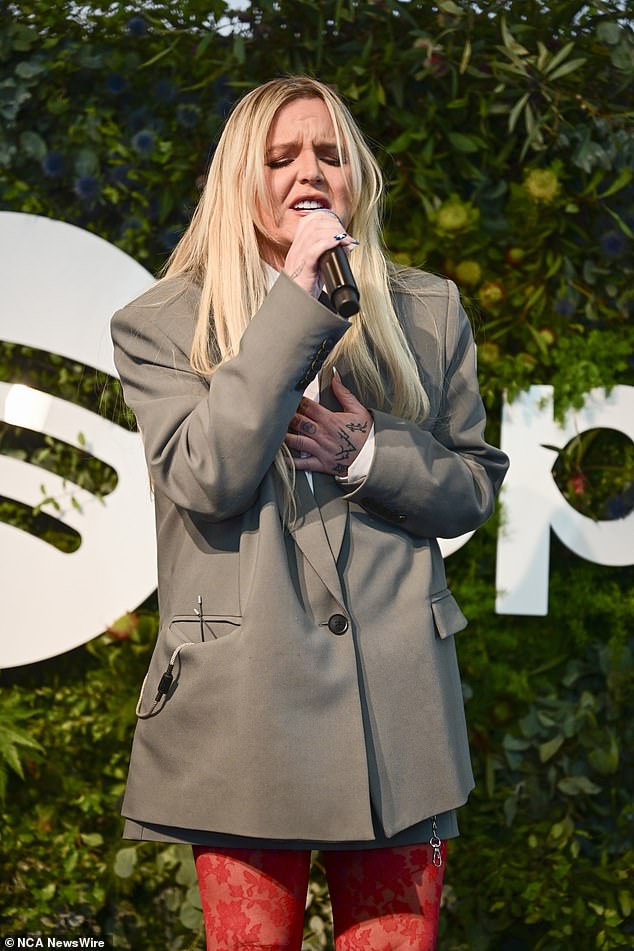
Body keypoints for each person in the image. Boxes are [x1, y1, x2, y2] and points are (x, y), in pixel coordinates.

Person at [111, 75, 509, 951]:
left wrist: (369, 455)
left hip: (400, 716)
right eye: (282, 156)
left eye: (330, 153)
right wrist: (295, 304)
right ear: (239, 179)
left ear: (356, 175)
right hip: (241, 712)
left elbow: (473, 485)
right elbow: (207, 477)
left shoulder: (428, 309)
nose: (310, 173)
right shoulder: (162, 322)